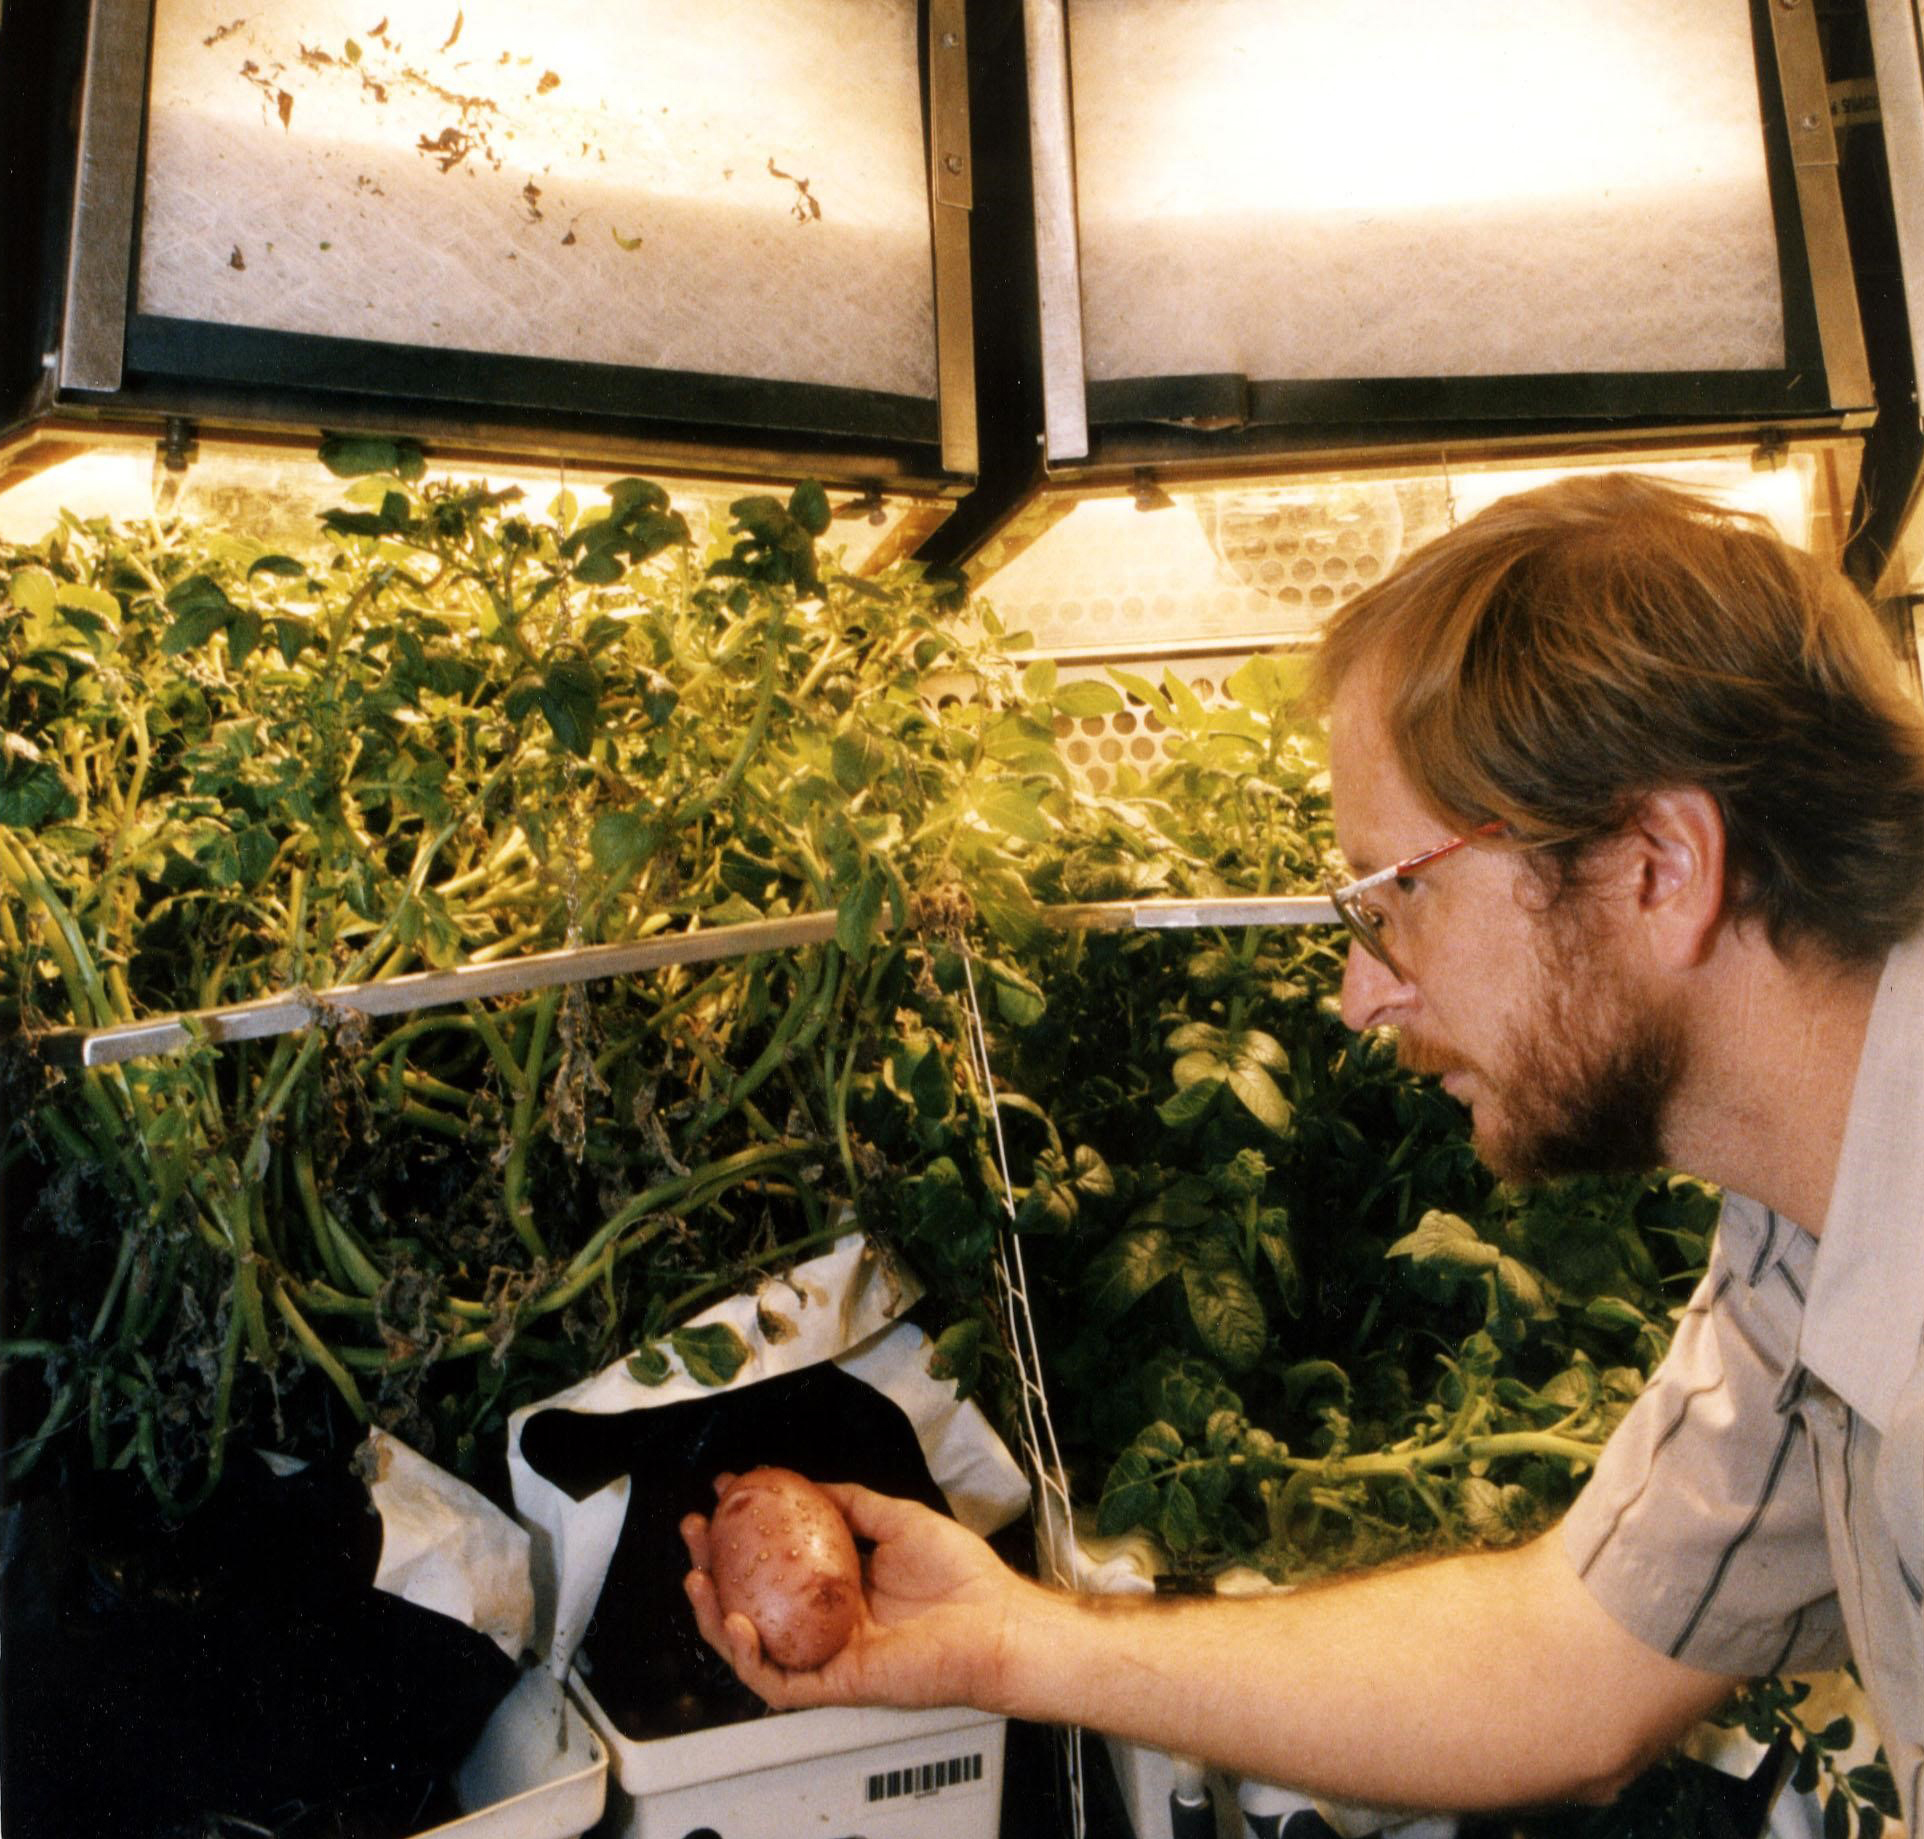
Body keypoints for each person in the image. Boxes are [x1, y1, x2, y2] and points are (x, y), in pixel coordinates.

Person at [683, 473, 1924, 1829]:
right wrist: (1017, 1642)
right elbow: (1566, 1661)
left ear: (1659, 864)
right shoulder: (1806, 1231)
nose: (1361, 990)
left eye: (1402, 896)